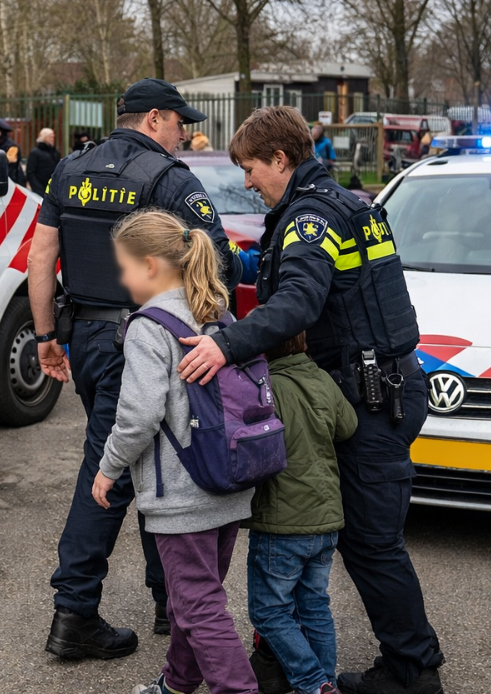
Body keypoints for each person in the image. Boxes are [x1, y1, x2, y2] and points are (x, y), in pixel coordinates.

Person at [176, 106, 444, 694]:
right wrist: (228, 261)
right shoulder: (340, 204)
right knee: (315, 529)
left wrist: (225, 345)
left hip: (369, 399)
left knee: (371, 544)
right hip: (377, 390)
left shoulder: (310, 218)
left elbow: (298, 300)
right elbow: (286, 271)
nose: (247, 181)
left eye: (250, 168)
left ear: (280, 159)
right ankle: (283, 661)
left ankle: (413, 671)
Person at [28, 77, 243, 661]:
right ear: (153, 119)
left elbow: (42, 256)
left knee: (153, 462)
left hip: (87, 338)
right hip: (145, 339)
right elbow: (219, 260)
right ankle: (74, 612)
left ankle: (168, 600)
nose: (184, 134)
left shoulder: (69, 169)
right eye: (179, 123)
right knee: (112, 468)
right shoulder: (170, 179)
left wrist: (46, 336)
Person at [93, 209, 256, 694]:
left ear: (149, 265)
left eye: (124, 268)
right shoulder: (218, 313)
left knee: (198, 604)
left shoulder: (149, 327)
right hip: (229, 479)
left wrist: (108, 467)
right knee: (196, 597)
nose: (122, 279)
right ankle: (178, 682)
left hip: (183, 494)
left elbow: (139, 415)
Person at [244, 330, 357, 694]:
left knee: (269, 611)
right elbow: (348, 427)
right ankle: (326, 682)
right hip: (325, 519)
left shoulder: (266, 387)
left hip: (282, 521)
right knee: (315, 606)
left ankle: (313, 683)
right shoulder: (321, 378)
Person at [27, 127, 61, 193]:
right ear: (44, 137)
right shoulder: (35, 152)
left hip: (53, 189)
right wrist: (38, 188)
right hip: (40, 189)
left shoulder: (55, 152)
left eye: (53, 137)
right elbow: (30, 172)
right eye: (50, 137)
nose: (52, 139)